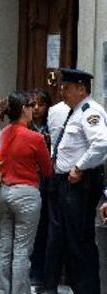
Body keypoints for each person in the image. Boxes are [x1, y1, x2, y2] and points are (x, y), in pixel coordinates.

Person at [44, 68, 107, 294]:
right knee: (63, 240)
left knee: (79, 241)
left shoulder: (90, 111)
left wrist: (79, 167)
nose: (62, 92)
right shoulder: (75, 111)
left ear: (81, 89)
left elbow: (101, 143)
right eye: (62, 87)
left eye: (67, 88)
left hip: (79, 184)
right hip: (63, 183)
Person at [0, 91, 52, 294]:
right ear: (24, 109)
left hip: (4, 192)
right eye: (31, 105)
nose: (34, 109)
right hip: (26, 193)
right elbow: (47, 170)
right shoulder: (35, 138)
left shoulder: (4, 133)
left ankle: (2, 290)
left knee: (4, 245)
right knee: (21, 249)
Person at [29, 89, 52, 290]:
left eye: (41, 104)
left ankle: (41, 272)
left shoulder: (52, 126)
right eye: (33, 104)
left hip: (46, 182)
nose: (37, 109)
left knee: (44, 227)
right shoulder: (24, 126)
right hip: (27, 182)